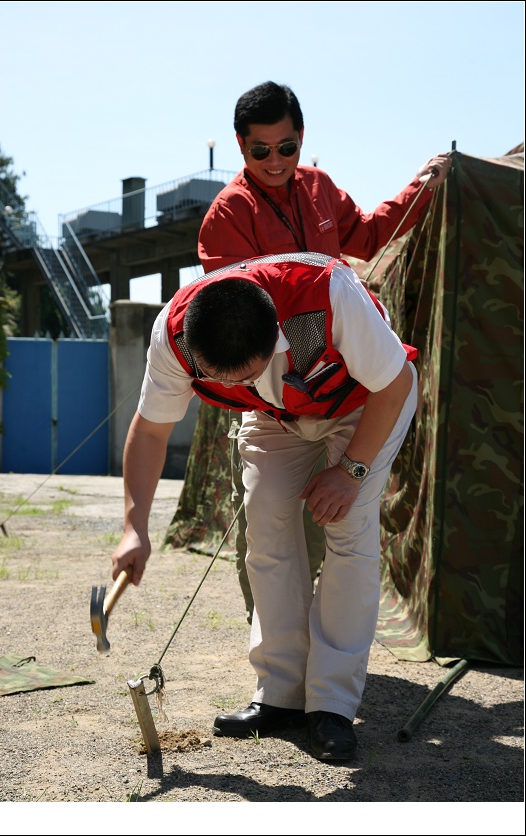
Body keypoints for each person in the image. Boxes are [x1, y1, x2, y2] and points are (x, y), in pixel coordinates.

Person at [112, 251, 420, 760]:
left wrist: (350, 473)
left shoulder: (329, 295)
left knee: (348, 530)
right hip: (277, 417)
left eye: (247, 373)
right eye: (220, 379)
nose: (232, 388)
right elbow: (149, 430)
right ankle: (281, 695)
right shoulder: (173, 334)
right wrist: (133, 527)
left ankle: (333, 704)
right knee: (267, 525)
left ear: (277, 335)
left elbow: (397, 384)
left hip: (365, 403)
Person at [177, 80, 451, 623]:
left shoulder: (321, 187)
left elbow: (370, 236)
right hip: (269, 397)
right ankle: (280, 667)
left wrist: (421, 188)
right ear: (240, 145)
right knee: (269, 534)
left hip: (336, 389)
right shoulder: (225, 218)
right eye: (261, 151)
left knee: (335, 526)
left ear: (301, 139)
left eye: (287, 147)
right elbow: (244, 324)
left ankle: (324, 665)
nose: (275, 161)